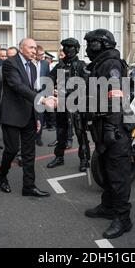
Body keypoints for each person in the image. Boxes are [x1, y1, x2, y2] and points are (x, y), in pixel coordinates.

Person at [83, 29, 132, 239]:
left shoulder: (111, 63)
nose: (87, 48)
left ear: (101, 44)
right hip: (103, 126)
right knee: (105, 168)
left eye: (91, 43)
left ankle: (123, 218)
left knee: (117, 174)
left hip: (115, 127)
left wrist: (111, 126)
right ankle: (108, 206)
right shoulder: (101, 63)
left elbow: (115, 95)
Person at [0, 37, 56, 197]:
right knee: (12, 150)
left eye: (35, 48)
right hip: (12, 115)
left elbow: (33, 92)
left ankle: (29, 186)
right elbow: (17, 86)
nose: (34, 51)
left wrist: (37, 116)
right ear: (21, 48)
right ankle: (2, 174)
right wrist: (42, 100)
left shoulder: (35, 67)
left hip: (29, 115)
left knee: (29, 153)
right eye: (30, 48)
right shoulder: (10, 63)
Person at [47, 38, 91, 172]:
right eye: (65, 47)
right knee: (61, 132)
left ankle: (84, 159)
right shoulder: (60, 65)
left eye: (70, 47)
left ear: (76, 49)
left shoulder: (81, 65)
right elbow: (49, 78)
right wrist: (51, 90)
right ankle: (59, 157)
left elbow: (88, 84)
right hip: (61, 103)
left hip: (76, 104)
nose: (67, 49)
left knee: (80, 133)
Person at [35, 45, 50, 147]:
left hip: (41, 92)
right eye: (40, 55)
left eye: (43, 54)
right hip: (31, 92)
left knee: (40, 116)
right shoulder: (29, 63)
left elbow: (48, 77)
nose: (42, 56)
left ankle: (38, 138)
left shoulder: (45, 63)